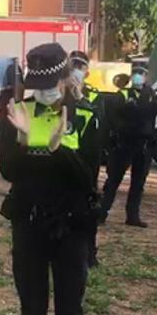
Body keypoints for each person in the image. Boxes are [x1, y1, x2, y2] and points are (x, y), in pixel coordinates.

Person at [0, 43, 100, 315]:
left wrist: (58, 148)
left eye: (47, 81)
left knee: (69, 311)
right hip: (28, 223)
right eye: (34, 82)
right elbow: (7, 170)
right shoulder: (18, 111)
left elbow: (88, 178)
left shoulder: (85, 115)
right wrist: (24, 141)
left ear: (63, 77)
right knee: (32, 309)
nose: (41, 89)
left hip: (71, 226)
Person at [99, 64, 157, 228]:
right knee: (114, 179)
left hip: (144, 144)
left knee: (138, 182)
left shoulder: (153, 93)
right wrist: (138, 110)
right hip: (125, 143)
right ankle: (101, 213)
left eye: (141, 73)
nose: (138, 76)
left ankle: (132, 215)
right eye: (135, 73)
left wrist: (142, 106)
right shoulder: (123, 93)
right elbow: (115, 114)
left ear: (146, 76)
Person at [69, 50, 107, 268]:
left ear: (87, 72)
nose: (76, 71)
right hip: (63, 160)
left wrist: (79, 98)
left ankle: (90, 252)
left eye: (80, 67)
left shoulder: (94, 97)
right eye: (72, 65)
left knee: (88, 206)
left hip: (87, 160)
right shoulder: (57, 93)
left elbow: (99, 121)